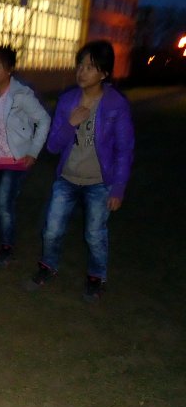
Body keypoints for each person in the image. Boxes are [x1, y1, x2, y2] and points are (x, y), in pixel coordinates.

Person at [25, 40, 134, 302]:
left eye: (90, 67)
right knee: (52, 229)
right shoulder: (67, 101)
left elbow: (124, 149)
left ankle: (96, 277)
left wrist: (118, 188)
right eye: (80, 65)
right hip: (67, 178)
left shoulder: (116, 105)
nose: (82, 72)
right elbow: (53, 145)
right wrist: (70, 123)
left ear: (104, 73)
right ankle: (48, 266)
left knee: (95, 234)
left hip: (99, 182)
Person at [0, 45, 50, 266]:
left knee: (4, 203)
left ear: (9, 69)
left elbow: (43, 120)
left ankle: (7, 247)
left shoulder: (21, 95)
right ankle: (3, 242)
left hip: (15, 160)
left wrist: (33, 152)